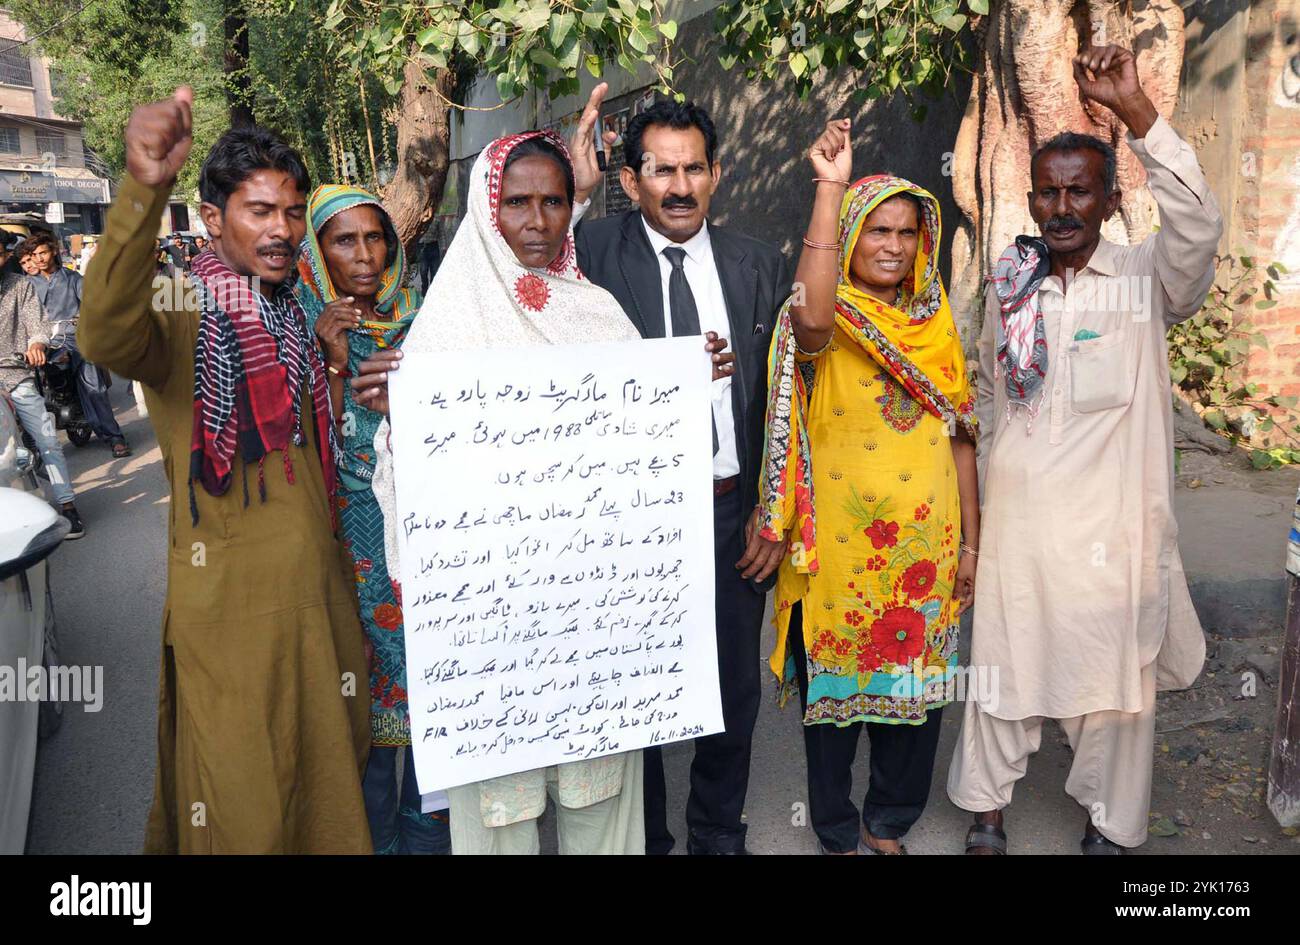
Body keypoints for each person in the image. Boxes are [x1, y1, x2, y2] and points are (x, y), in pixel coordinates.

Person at [78, 88, 372, 853]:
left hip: (318, 605)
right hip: (232, 621)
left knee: (327, 797)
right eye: (259, 211)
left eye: (290, 212)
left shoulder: (295, 313)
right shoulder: (184, 308)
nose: (281, 230)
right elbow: (107, 331)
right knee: (244, 808)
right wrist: (144, 188)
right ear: (214, 219)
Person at [947, 45, 1221, 855]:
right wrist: (990, 493)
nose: (1062, 205)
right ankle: (987, 807)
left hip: (1112, 533)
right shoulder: (1012, 284)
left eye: (1079, 191)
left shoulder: (1144, 282)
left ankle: (1109, 817)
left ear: (1105, 201)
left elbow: (1200, 227)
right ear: (1031, 199)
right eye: (1049, 191)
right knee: (1002, 661)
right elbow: (991, 390)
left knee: (1114, 679)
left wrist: (1138, 114)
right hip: (1022, 526)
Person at [364, 130, 647, 855]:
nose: (537, 219)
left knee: (600, 797)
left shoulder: (600, 316)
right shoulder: (443, 335)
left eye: (554, 201)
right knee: (499, 815)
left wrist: (678, 391)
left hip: (592, 621)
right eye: (517, 200)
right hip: (489, 634)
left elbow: (641, 458)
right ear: (488, 208)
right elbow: (413, 492)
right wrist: (402, 423)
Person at [569, 88, 792, 855]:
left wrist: (775, 510)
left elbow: (788, 398)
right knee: (638, 694)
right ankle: (648, 840)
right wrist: (574, 191)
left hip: (730, 512)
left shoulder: (758, 264)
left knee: (732, 690)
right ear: (631, 181)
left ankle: (716, 832)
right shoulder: (589, 255)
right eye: (661, 170)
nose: (680, 186)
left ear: (716, 173)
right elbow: (509, 268)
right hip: (628, 526)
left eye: (694, 168)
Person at [757, 122, 979, 855]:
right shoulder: (827, 321)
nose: (893, 244)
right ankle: (834, 826)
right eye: (876, 229)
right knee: (838, 703)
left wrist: (972, 541)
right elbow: (814, 311)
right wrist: (828, 186)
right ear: (849, 237)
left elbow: (960, 432)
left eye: (907, 232)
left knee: (915, 697)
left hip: (927, 545)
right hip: (843, 555)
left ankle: (888, 818)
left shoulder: (934, 319)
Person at [295, 183, 449, 854]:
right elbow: (302, 449)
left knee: (432, 682)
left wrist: (411, 400)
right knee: (357, 696)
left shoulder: (427, 318)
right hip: (341, 541)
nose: (363, 254)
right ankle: (369, 837)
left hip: (421, 535)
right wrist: (332, 364)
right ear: (317, 250)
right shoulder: (296, 321)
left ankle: (426, 830)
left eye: (375, 237)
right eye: (344, 240)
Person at [0, 238, 84, 537]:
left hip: (16, 372)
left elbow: (37, 324)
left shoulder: (20, 286)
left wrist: (36, 343)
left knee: (47, 439)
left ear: (4, 256)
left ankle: (68, 506)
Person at [20, 231, 131, 457]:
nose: (39, 258)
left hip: (74, 338)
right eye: (34, 255)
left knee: (95, 388)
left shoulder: (73, 279)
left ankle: (115, 437)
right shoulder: (26, 286)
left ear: (53, 252)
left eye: (43, 252)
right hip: (40, 342)